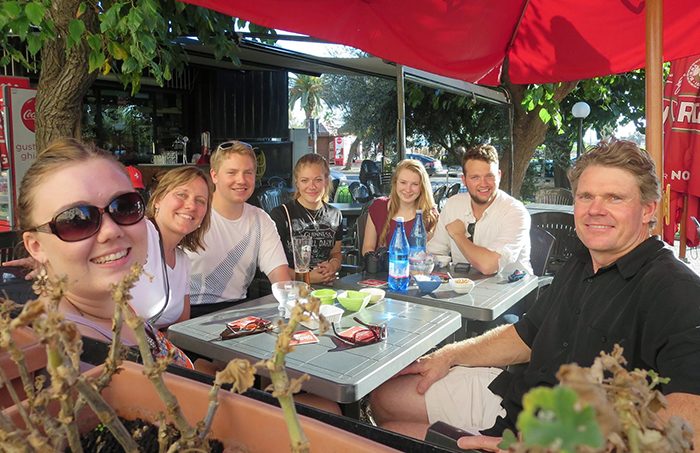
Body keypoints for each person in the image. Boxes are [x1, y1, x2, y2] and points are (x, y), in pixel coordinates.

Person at [369, 140, 700, 451]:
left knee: (386, 438)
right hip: (519, 399)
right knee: (384, 397)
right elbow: (527, 333)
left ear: (647, 209)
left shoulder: (674, 289)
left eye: (614, 198)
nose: (595, 210)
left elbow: (691, 424)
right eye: (585, 196)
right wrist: (450, 355)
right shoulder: (581, 262)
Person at [18, 138, 193, 369]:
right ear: (36, 247)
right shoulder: (75, 359)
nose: (110, 231)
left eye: (125, 206)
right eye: (76, 220)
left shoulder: (115, 312)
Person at [186, 140, 292, 317]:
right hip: (190, 312)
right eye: (232, 172)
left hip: (239, 312)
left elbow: (280, 277)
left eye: (248, 173)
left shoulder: (261, 219)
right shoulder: (191, 212)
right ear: (214, 175)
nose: (241, 180)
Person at [427, 144, 532, 275]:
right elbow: (434, 252)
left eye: (489, 176)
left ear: (499, 176)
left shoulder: (515, 212)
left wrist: (459, 236)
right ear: (464, 180)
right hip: (464, 287)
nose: (483, 183)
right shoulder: (453, 205)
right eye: (475, 177)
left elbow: (489, 266)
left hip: (513, 290)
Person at [128, 166, 213, 328]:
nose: (191, 206)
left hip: (161, 350)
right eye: (182, 195)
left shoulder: (183, 261)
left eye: (200, 201)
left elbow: (181, 328)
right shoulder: (140, 233)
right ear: (158, 199)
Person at [270, 154, 343, 284]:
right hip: (293, 290)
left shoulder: (335, 214)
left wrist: (333, 265)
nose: (312, 186)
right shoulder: (281, 215)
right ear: (297, 182)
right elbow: (273, 267)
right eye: (305, 180)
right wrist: (307, 277)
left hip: (326, 290)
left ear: (326, 181)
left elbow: (336, 253)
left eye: (318, 180)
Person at [362, 159, 438, 255]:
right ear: (395, 183)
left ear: (422, 187)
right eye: (403, 182)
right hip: (382, 268)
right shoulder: (378, 207)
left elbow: (433, 255)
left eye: (414, 184)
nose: (408, 189)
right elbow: (367, 248)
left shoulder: (430, 214)